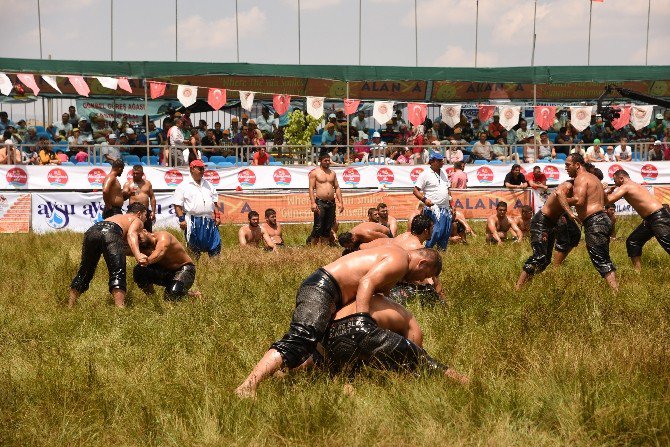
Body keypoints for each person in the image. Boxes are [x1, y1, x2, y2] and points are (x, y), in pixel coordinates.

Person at [234, 246, 443, 397]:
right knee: (300, 339)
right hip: (324, 287)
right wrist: (361, 319)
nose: (418, 281)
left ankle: (283, 375)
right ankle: (247, 386)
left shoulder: (392, 252)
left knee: (318, 348)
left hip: (332, 292)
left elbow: (362, 252)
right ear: (422, 263)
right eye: (424, 275)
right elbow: (367, 282)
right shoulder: (400, 260)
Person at [317, 293, 468, 384]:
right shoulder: (409, 320)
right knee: (426, 363)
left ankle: (350, 410)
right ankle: (466, 383)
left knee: (347, 378)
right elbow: (415, 353)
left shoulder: (357, 300)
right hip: (362, 327)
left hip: (332, 332)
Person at [68, 202, 148, 308]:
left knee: (84, 272)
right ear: (139, 214)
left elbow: (119, 248)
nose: (146, 219)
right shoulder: (137, 220)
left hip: (92, 231)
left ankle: (70, 306)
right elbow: (131, 234)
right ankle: (120, 309)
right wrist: (138, 255)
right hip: (111, 232)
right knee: (118, 272)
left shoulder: (117, 217)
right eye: (145, 215)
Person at [564, 154, 618, 291]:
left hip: (595, 221)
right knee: (603, 256)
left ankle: (615, 292)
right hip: (603, 219)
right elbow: (606, 200)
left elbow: (579, 200)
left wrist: (560, 197)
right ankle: (615, 289)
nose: (566, 168)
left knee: (600, 258)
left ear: (577, 165)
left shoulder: (580, 178)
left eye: (568, 165)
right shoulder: (595, 178)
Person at [605, 169, 670, 271]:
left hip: (658, 218)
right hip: (651, 219)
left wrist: (606, 191)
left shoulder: (626, 186)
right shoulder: (636, 185)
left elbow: (609, 200)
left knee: (668, 244)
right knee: (633, 241)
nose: (614, 183)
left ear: (621, 178)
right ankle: (638, 272)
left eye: (615, 180)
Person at [173, 159, 222, 257]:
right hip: (192, 220)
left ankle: (215, 268)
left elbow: (215, 202)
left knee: (215, 245)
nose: (202, 171)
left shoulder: (209, 185)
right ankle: (196, 268)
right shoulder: (183, 186)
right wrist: (182, 219)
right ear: (192, 169)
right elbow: (177, 205)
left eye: (203, 168)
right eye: (199, 168)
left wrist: (217, 216)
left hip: (209, 220)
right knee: (193, 248)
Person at [134, 230, 199, 300]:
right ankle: (152, 299)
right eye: (136, 240)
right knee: (139, 270)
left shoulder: (163, 236)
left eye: (139, 237)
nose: (139, 241)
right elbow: (125, 250)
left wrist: (147, 261)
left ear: (144, 231)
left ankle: (193, 295)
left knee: (171, 295)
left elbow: (160, 252)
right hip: (167, 273)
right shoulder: (141, 246)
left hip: (185, 270)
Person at [413, 152, 452, 250]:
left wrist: (452, 205)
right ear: (432, 161)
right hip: (433, 207)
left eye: (442, 160)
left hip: (446, 207)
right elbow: (415, 190)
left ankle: (442, 251)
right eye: (439, 160)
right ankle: (427, 250)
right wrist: (425, 200)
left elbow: (448, 190)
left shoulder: (443, 172)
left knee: (445, 231)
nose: (442, 162)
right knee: (436, 230)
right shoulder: (425, 174)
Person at [308, 153, 344, 245]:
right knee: (318, 225)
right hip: (320, 201)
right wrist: (313, 203)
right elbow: (311, 188)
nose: (327, 162)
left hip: (331, 202)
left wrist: (341, 202)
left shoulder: (332, 173)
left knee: (328, 226)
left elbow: (337, 188)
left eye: (329, 160)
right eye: (325, 161)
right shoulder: (315, 172)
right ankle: (312, 246)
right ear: (320, 161)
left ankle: (324, 247)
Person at [122, 165, 156, 231]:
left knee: (148, 232)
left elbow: (152, 198)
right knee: (132, 231)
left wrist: (153, 211)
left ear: (142, 174)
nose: (135, 175)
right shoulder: (128, 184)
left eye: (137, 173)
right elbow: (123, 198)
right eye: (133, 173)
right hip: (133, 211)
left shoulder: (147, 183)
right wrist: (129, 193)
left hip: (145, 211)